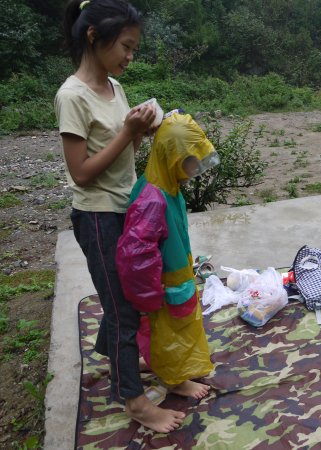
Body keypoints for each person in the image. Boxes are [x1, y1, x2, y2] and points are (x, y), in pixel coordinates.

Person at [55, 0, 185, 433]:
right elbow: (82, 174)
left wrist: (140, 131)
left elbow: (121, 157)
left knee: (122, 298)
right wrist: (128, 132)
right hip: (97, 218)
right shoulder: (72, 96)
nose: (131, 56)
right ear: (94, 36)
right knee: (126, 309)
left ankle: (116, 359)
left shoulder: (114, 87)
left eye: (133, 48)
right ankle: (133, 401)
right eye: (126, 47)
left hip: (124, 210)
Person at [115, 112, 215, 403]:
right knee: (169, 335)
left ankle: (171, 367)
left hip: (176, 279)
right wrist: (148, 295)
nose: (196, 168)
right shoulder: (152, 198)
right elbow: (136, 255)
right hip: (163, 288)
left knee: (177, 330)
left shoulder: (167, 186)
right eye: (191, 160)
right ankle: (175, 380)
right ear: (172, 157)